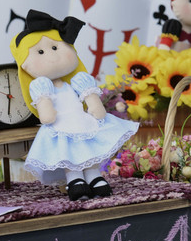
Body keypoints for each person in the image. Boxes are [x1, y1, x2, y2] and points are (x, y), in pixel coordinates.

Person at [11, 10, 138, 200]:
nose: (52, 56)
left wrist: (95, 107)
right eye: (40, 52)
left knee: (88, 149)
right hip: (61, 127)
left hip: (82, 121)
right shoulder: (42, 86)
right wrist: (47, 112)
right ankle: (75, 180)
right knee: (68, 153)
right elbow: (45, 113)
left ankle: (95, 177)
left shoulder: (79, 81)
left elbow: (91, 100)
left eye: (55, 48)